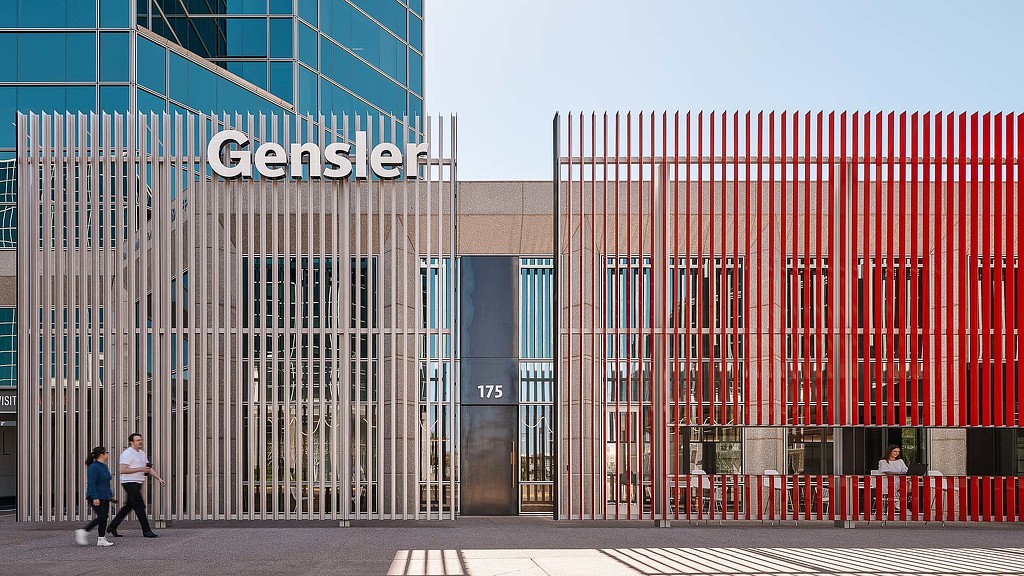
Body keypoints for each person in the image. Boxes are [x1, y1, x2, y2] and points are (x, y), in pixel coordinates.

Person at [106, 433, 166, 538]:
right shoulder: (127, 453)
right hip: (129, 483)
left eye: (141, 440)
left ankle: (112, 527)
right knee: (139, 506)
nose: (140, 442)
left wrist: (159, 478)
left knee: (128, 507)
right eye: (138, 440)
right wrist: (140, 469)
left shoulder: (142, 453)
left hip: (138, 483)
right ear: (131, 442)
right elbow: (122, 470)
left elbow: (148, 468)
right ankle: (146, 531)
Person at [75, 446, 115, 547]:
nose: (107, 454)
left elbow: (106, 482)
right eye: (106, 452)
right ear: (101, 454)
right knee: (102, 516)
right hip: (96, 496)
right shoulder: (93, 467)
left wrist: (110, 495)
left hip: (105, 496)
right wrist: (95, 497)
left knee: (104, 517)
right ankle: (84, 531)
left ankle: (101, 538)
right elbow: (91, 483)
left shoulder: (104, 466)